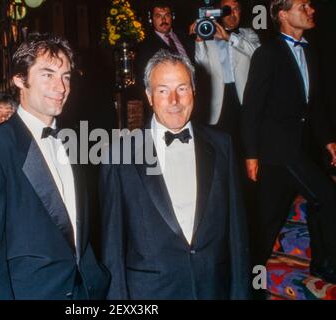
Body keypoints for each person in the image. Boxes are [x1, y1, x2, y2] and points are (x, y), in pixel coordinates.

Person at [0, 33, 110, 299]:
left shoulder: (73, 142)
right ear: (19, 79)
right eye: (47, 74)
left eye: (66, 76)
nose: (61, 87)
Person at [100, 49, 250, 299]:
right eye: (162, 90)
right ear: (149, 96)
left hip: (213, 288)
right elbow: (112, 249)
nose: (174, 100)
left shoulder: (223, 146)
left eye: (182, 88)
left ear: (194, 91)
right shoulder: (119, 156)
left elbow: (238, 235)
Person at [241, 0, 336, 285]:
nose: (311, 9)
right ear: (283, 15)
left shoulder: (310, 51)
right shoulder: (266, 53)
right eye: (302, 5)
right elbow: (252, 107)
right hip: (277, 150)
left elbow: (314, 105)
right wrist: (251, 154)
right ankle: (326, 263)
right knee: (327, 197)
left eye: (309, 5)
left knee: (269, 218)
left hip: (299, 148)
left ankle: (318, 265)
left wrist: (329, 140)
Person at [190, 0, 260, 138]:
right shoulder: (208, 34)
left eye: (236, 9)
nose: (232, 13)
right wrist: (199, 39)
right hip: (219, 100)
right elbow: (201, 64)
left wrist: (228, 37)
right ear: (219, 13)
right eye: (228, 10)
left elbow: (258, 53)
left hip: (244, 99)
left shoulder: (248, 34)